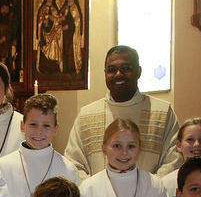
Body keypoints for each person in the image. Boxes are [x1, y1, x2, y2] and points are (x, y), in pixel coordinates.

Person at [64, 45, 181, 179]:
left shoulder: (163, 112)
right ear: (105, 73)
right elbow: (73, 165)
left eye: (126, 68)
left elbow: (173, 161)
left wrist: (148, 188)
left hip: (149, 192)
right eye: (112, 70)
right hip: (97, 193)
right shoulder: (86, 115)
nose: (118, 74)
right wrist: (95, 189)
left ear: (138, 72)